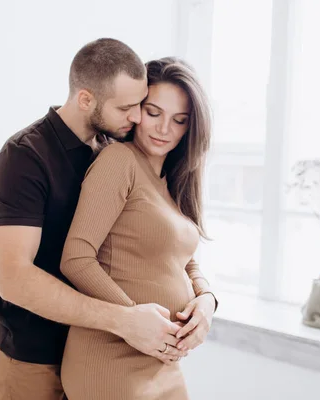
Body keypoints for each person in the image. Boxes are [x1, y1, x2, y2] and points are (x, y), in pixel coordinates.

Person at [0, 39, 189, 400]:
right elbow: (14, 280)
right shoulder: (24, 158)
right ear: (85, 100)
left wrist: (204, 299)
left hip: (102, 349)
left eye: (140, 105)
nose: (138, 118)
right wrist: (126, 320)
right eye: (127, 108)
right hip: (37, 356)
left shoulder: (112, 150)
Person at [60, 57, 218, 400]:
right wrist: (133, 318)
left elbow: (184, 261)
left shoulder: (172, 182)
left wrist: (206, 299)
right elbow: (76, 257)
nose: (164, 129)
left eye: (179, 120)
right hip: (111, 356)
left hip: (161, 359)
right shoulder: (119, 162)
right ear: (135, 110)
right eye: (154, 112)